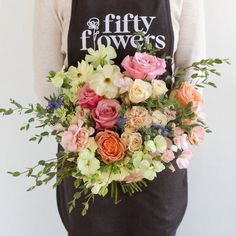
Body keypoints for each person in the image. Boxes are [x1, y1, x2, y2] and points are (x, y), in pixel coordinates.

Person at [33, 0, 206, 235]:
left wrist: (151, 152)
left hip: (157, 160)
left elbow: (191, 75)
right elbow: (48, 86)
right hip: (87, 166)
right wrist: (92, 151)